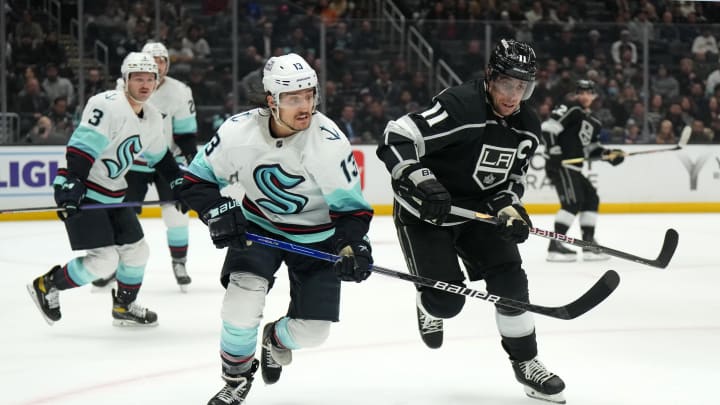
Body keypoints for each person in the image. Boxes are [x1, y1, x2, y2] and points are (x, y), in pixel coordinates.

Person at [176, 53, 374, 405]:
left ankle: (276, 340)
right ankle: (236, 377)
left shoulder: (329, 142)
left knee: (313, 333)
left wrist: (354, 247)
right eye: (293, 98)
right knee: (240, 302)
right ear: (272, 101)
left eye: (310, 96)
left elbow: (351, 212)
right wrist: (217, 210)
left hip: (318, 236)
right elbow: (194, 182)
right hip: (259, 228)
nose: (305, 106)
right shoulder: (238, 131)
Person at [376, 39, 566, 404]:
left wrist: (510, 209)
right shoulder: (460, 106)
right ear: (490, 77)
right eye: (507, 84)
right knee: (446, 304)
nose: (513, 96)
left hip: (478, 212)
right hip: (424, 212)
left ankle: (526, 364)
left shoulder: (526, 126)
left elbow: (510, 182)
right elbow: (396, 136)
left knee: (511, 281)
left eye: (522, 87)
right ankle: (426, 303)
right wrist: (422, 181)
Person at [26, 52, 184, 327]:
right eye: (138, 79)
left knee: (137, 251)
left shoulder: (154, 117)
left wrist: (179, 185)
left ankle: (123, 307)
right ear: (125, 80)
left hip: (113, 193)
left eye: (151, 79)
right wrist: (71, 186)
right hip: (84, 191)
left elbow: (161, 159)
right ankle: (46, 285)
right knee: (104, 262)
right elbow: (82, 148)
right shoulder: (107, 105)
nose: (145, 84)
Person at [91, 42, 199, 291]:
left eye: (162, 60)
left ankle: (179, 262)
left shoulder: (180, 91)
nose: (158, 64)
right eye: (152, 59)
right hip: (133, 162)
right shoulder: (123, 88)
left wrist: (191, 164)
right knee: (124, 215)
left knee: (175, 214)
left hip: (165, 159)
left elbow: (185, 134)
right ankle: (117, 264)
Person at [541, 79, 624, 262]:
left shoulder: (594, 121)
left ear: (594, 95)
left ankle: (588, 245)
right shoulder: (570, 108)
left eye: (589, 92)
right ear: (576, 94)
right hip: (561, 165)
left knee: (591, 199)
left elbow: (591, 149)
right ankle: (555, 246)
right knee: (572, 203)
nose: (585, 96)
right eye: (581, 92)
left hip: (574, 168)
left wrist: (610, 155)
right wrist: (554, 152)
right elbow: (548, 129)